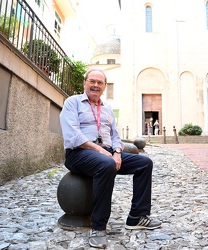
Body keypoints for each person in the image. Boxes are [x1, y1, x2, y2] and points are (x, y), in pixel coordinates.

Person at [59, 69, 161, 249]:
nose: (95, 85)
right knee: (106, 164)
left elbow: (115, 136)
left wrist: (118, 152)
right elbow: (72, 135)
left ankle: (136, 217)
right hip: (79, 153)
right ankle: (98, 227)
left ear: (104, 87)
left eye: (100, 83)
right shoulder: (72, 102)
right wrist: (100, 151)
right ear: (85, 83)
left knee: (144, 163)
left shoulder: (106, 109)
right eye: (92, 81)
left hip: (106, 153)